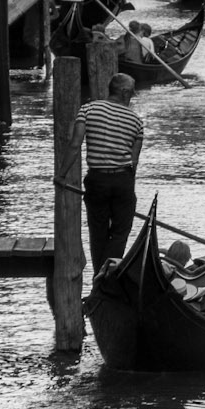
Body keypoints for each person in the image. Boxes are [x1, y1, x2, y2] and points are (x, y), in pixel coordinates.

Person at [74, 71, 143, 272]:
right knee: (121, 231)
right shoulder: (136, 121)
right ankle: (106, 274)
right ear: (123, 92)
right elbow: (134, 161)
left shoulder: (88, 109)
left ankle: (99, 275)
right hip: (122, 179)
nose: (131, 97)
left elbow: (75, 144)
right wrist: (129, 188)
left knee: (98, 232)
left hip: (96, 179)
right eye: (131, 93)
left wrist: (61, 175)